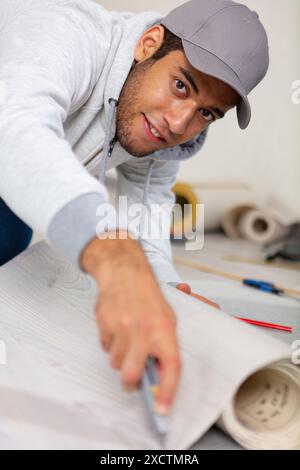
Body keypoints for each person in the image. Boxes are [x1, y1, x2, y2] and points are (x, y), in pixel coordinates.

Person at [0, 0, 269, 416]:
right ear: (149, 43)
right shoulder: (65, 32)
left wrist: (165, 288)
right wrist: (116, 256)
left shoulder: (159, 127)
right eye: (182, 85)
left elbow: (145, 205)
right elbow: (13, 129)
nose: (179, 124)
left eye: (206, 114)